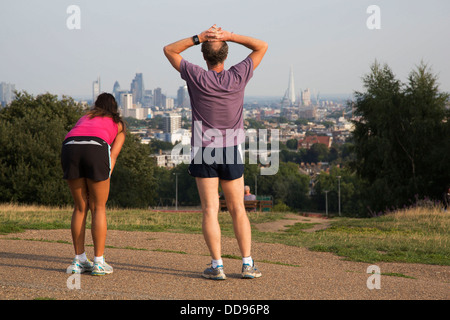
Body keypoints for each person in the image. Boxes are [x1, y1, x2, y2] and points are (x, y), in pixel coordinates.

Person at [164, 25, 268, 280]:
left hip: (204, 149)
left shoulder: (197, 76)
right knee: (237, 209)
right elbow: (261, 46)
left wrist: (200, 37)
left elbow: (169, 50)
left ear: (203, 57)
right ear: (226, 55)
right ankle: (247, 264)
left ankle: (217, 266)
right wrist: (229, 36)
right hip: (231, 148)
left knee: (210, 210)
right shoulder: (238, 75)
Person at [62, 93, 126, 276]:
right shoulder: (119, 124)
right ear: (114, 108)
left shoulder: (85, 117)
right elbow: (112, 156)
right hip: (96, 148)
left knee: (80, 207)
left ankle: (79, 260)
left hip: (70, 146)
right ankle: (98, 262)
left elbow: (79, 136)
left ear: (96, 106)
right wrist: (104, 177)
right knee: (98, 207)